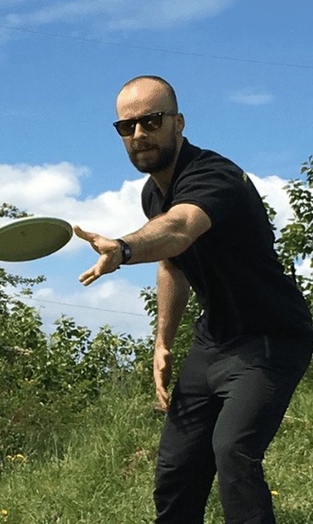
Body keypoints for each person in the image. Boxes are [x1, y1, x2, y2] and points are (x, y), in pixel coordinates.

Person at [74, 75, 313, 523]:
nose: (139, 134)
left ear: (178, 123)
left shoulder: (213, 175)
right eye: (127, 127)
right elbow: (173, 262)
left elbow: (180, 228)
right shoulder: (154, 192)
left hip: (270, 338)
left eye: (151, 120)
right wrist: (162, 342)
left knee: (234, 454)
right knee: (176, 469)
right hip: (213, 341)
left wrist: (124, 249)